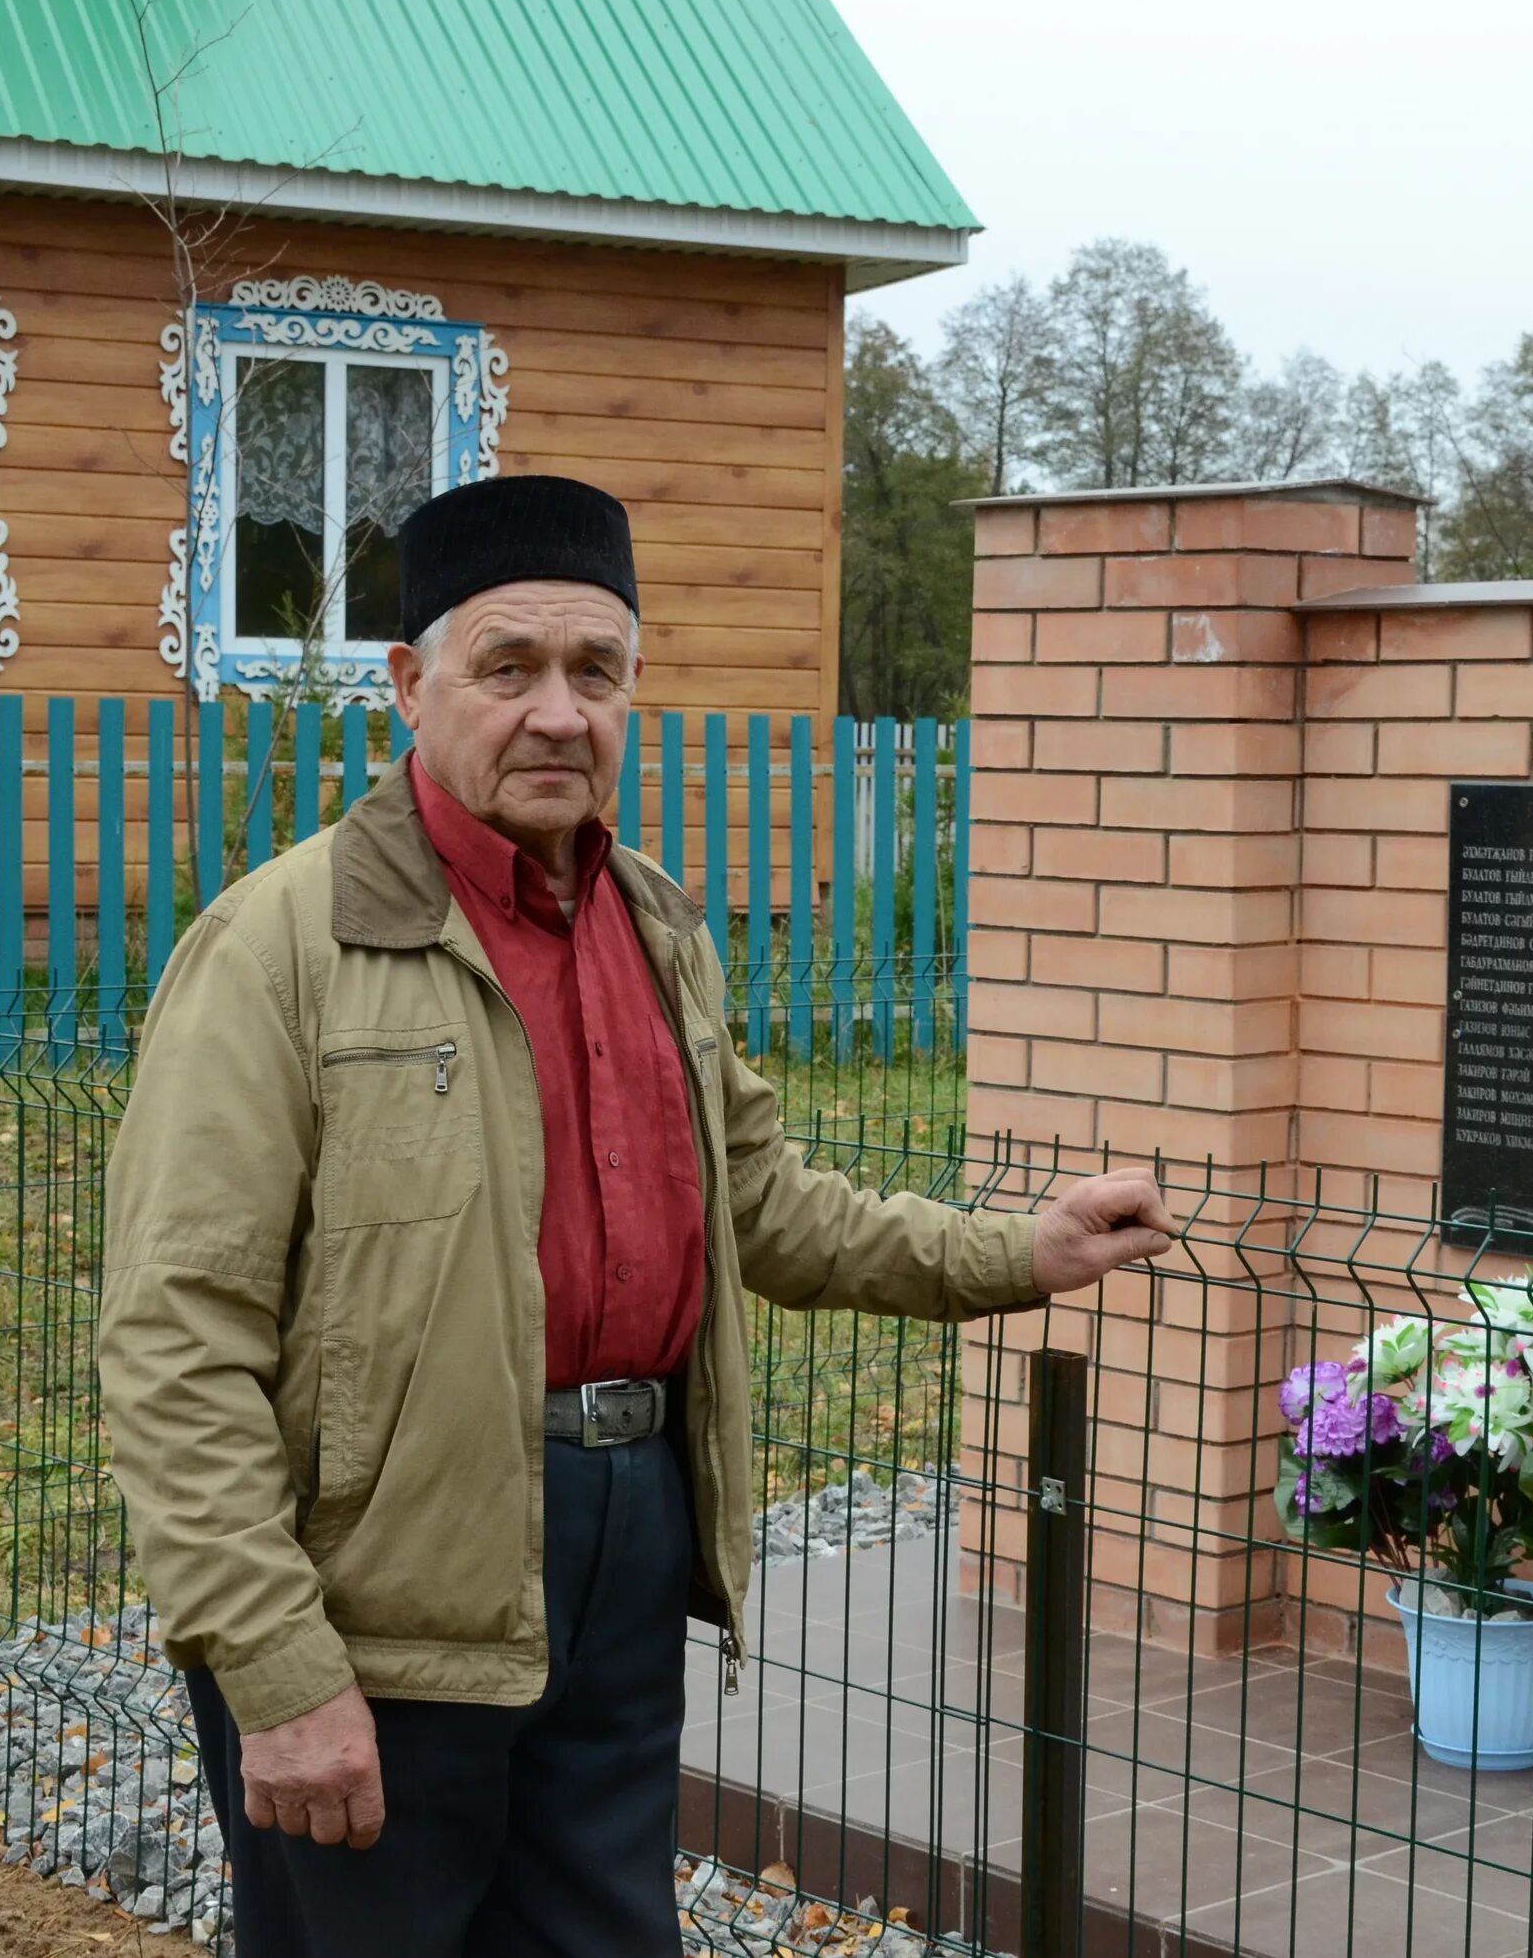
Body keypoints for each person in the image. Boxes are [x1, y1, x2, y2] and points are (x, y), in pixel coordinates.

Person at [96, 473, 1173, 1956]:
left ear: (633, 689)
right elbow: (175, 1338)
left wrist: (1020, 1252)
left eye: (594, 671)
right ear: (409, 685)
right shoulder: (282, 945)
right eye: (508, 667)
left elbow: (765, 1209)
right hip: (381, 1601)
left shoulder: (653, 926)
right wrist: (277, 1668)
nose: (557, 712)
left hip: (622, 1554)